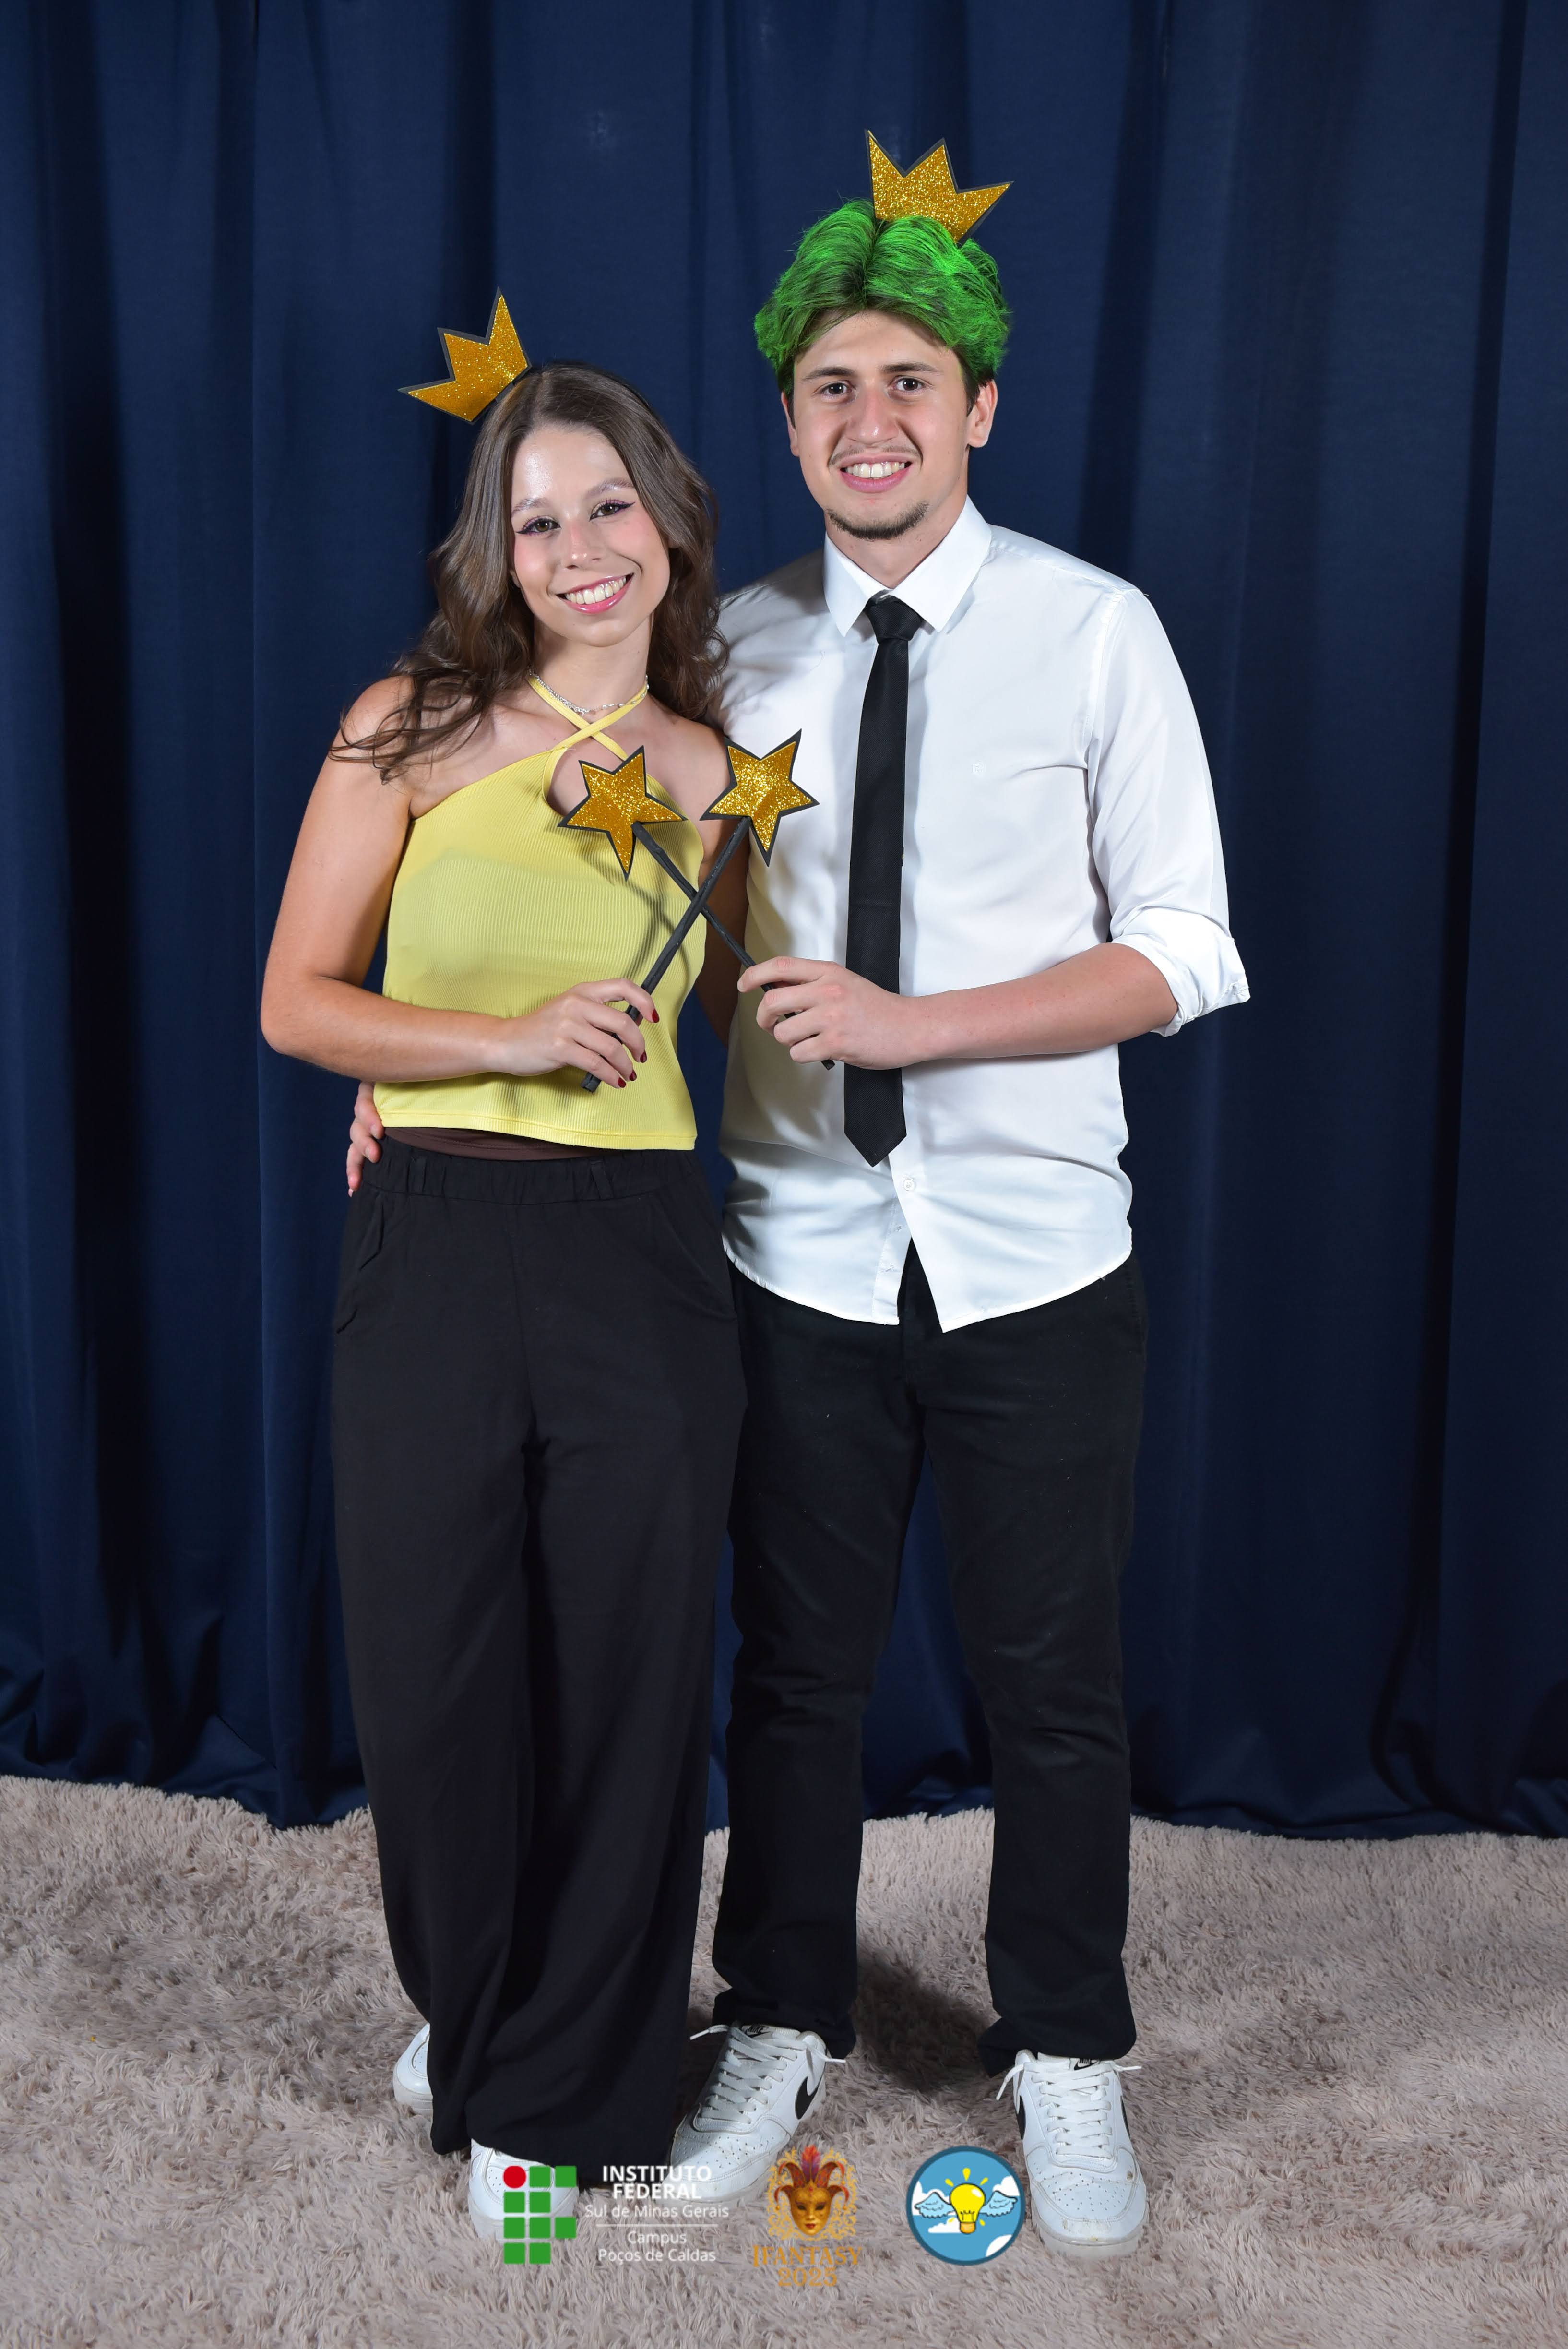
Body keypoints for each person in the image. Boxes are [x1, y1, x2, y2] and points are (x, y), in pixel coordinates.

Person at [351, 174, 1249, 2258]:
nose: (871, 418)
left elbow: (1190, 949)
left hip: (1036, 1251)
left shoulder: (1096, 632)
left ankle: (1068, 2045)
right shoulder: (716, 654)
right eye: (832, 385)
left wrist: (917, 1025)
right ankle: (771, 2015)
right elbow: (616, 927)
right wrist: (429, 1074)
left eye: (909, 382)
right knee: (792, 1678)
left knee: (1052, 1681)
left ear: (979, 407)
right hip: (787, 1249)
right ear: (785, 421)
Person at [261, 358, 746, 2241]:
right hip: (439, 1243)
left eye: (608, 504)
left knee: (628, 1695)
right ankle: (478, 2018)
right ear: (499, 550)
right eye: (538, 519)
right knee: (441, 1684)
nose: (578, 546)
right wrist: (490, 1043)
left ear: (668, 520)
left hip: (641, 1255)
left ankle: (556, 2101)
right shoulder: (409, 725)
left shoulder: (718, 774)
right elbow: (300, 1002)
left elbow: (748, 1015)